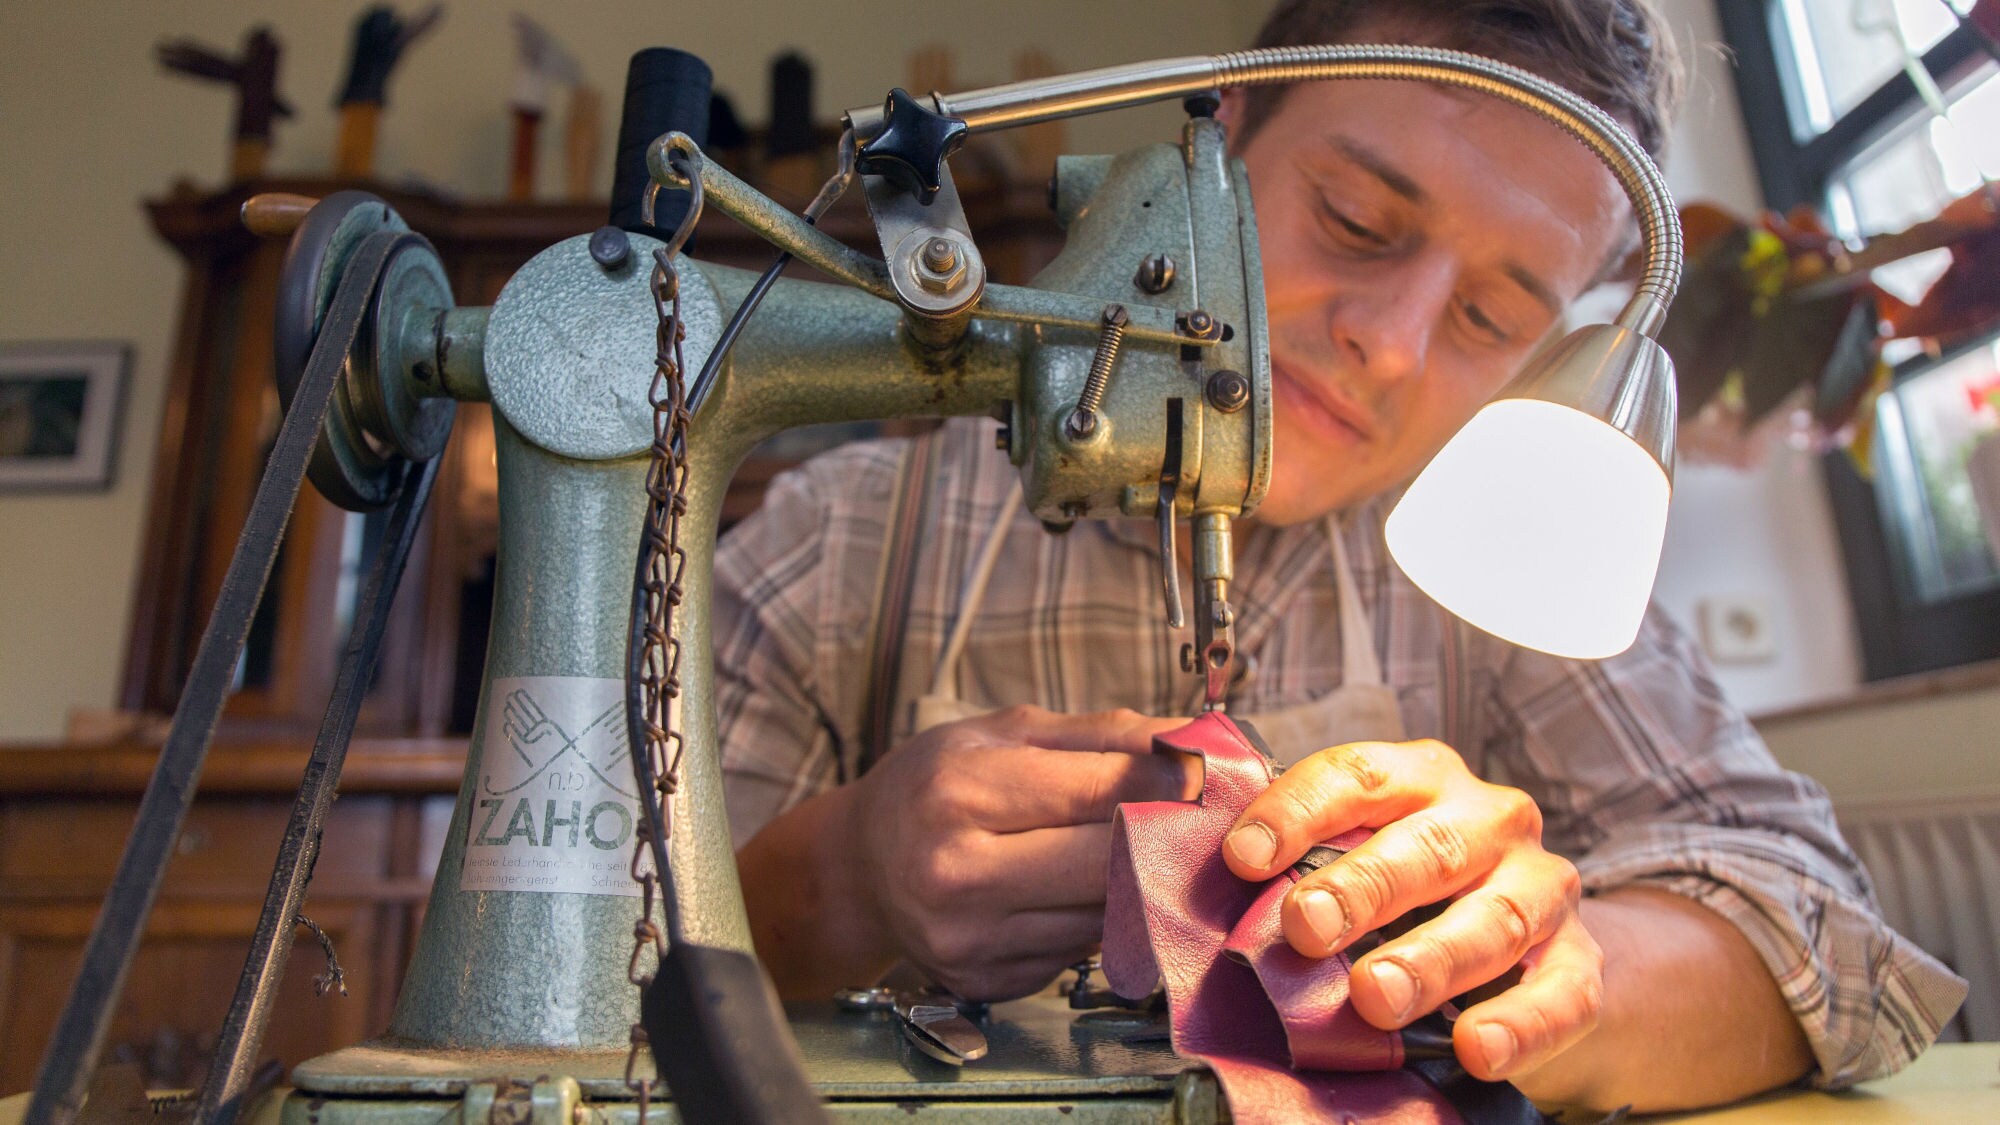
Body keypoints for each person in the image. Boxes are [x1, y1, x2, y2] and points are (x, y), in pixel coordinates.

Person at [713, 0, 1967, 1114]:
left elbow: (1820, 927)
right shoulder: (849, 541)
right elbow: (611, 942)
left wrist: (1536, 973)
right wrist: (844, 875)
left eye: (1488, 316)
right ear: (1215, 148)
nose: (1393, 344)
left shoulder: (1497, 558)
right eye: (1355, 221)